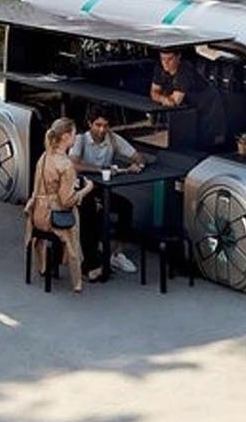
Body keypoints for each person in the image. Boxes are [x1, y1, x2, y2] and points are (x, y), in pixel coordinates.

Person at [67, 106, 152, 276]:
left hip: (101, 190)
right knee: (90, 212)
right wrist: (100, 169)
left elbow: (138, 156)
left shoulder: (113, 139)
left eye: (105, 126)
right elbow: (73, 164)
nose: (102, 130)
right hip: (80, 190)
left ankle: (117, 254)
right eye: (98, 125)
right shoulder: (80, 140)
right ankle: (90, 262)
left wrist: (137, 165)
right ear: (90, 123)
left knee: (126, 207)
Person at [23, 118, 93, 292]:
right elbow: (66, 201)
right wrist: (86, 189)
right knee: (76, 219)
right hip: (53, 217)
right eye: (74, 134)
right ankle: (77, 279)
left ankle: (46, 267)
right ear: (66, 136)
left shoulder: (44, 157)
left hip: (37, 214)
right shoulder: (66, 165)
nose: (75, 137)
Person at [151, 49, 228, 151]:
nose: (166, 63)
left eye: (170, 59)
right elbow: (154, 92)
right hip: (189, 104)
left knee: (207, 141)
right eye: (163, 59)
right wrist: (163, 98)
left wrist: (162, 96)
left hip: (206, 103)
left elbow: (174, 102)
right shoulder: (160, 67)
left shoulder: (185, 70)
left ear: (178, 57)